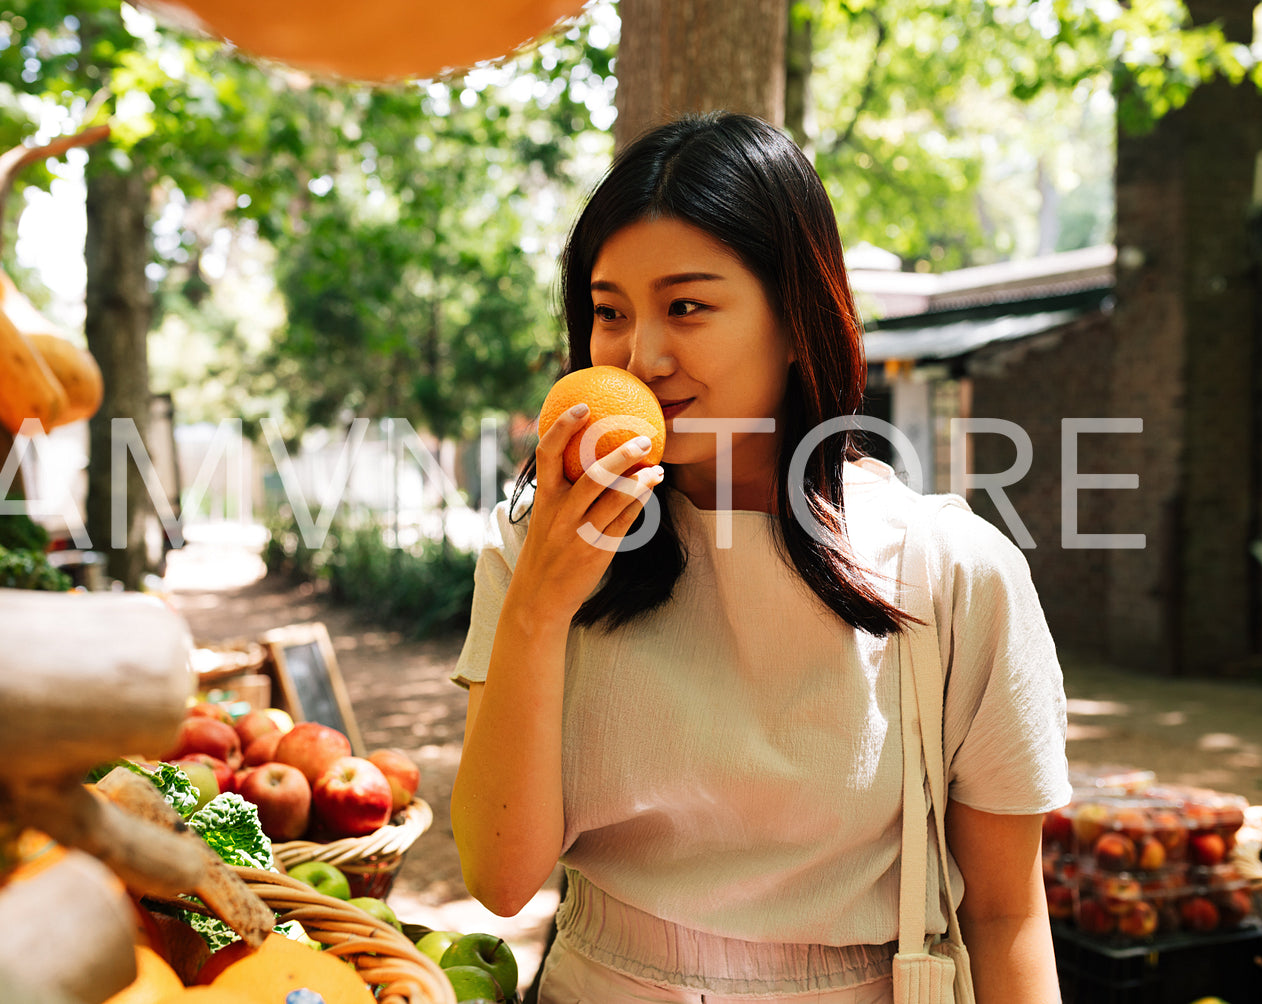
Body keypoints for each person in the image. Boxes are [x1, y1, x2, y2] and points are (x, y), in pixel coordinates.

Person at [449, 112, 1069, 1004]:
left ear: (793, 320)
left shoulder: (954, 570)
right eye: (609, 312)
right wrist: (541, 605)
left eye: (687, 307)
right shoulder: (537, 544)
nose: (641, 356)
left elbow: (1006, 914)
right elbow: (501, 880)